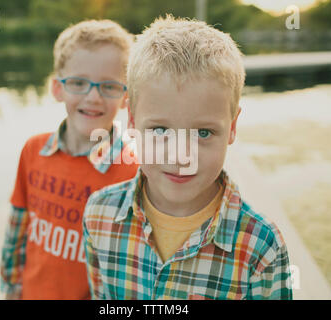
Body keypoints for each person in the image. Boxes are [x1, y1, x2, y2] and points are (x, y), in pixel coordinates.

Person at [83, 15, 293, 300]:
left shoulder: (261, 246)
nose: (181, 156)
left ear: (232, 127)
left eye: (203, 133)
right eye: (160, 130)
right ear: (132, 120)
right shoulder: (98, 214)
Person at [0, 19, 138, 300]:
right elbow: (17, 225)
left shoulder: (133, 172)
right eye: (78, 83)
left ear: (126, 96)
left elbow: (129, 265)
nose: (93, 97)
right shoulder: (33, 150)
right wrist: (10, 286)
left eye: (109, 86)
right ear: (57, 88)